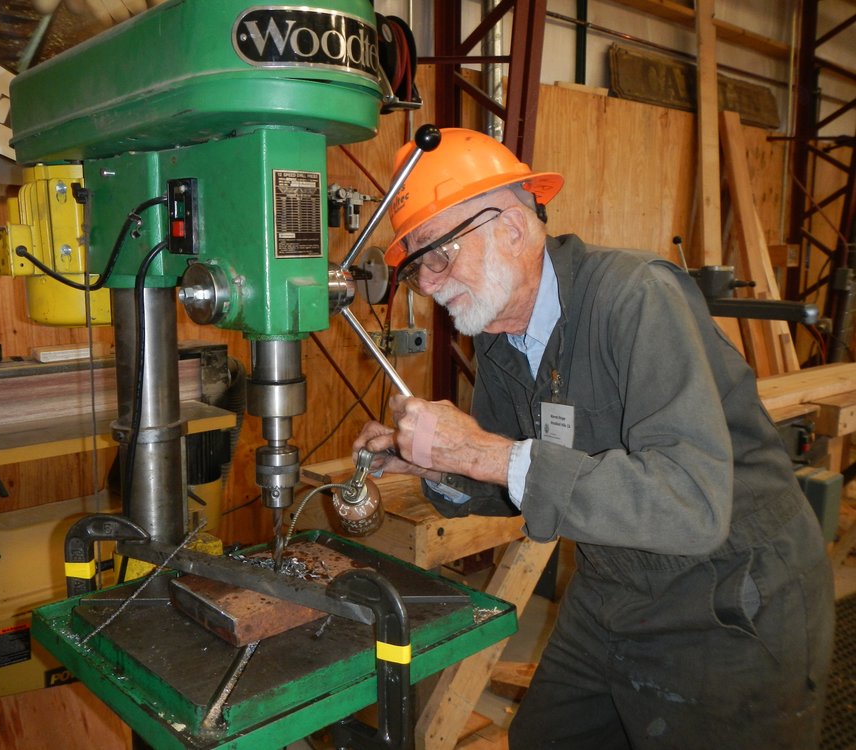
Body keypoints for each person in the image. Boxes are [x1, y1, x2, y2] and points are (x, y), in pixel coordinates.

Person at [353, 128, 834, 749]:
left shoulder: (635, 299)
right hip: (612, 586)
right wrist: (433, 468)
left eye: (438, 257)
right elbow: (518, 481)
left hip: (728, 597)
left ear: (514, 230)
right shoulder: (500, 337)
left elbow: (692, 505)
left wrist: (477, 450)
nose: (431, 285)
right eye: (418, 267)